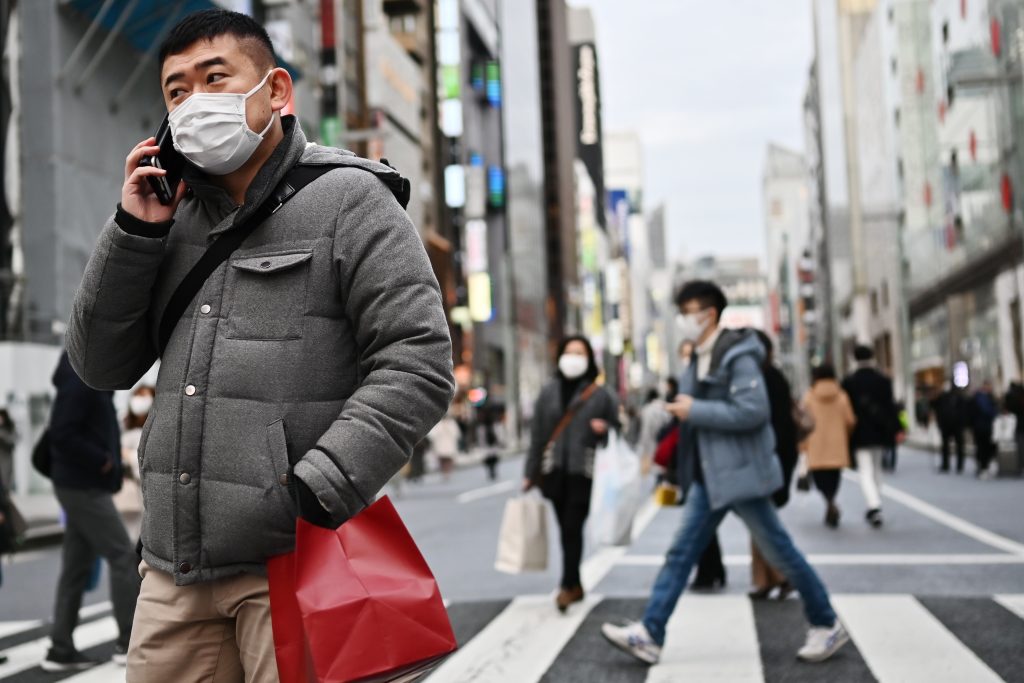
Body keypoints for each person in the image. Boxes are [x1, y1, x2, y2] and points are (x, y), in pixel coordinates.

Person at [64, 10, 454, 681]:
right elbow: (100, 364)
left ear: (275, 90)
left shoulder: (351, 202)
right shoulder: (170, 215)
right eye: (177, 91)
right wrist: (134, 229)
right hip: (172, 571)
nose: (194, 103)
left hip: (294, 560)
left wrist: (316, 489)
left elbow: (417, 361)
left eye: (215, 79)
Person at [601, 280, 848, 665]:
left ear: (709, 313)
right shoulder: (698, 357)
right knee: (681, 553)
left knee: (778, 550)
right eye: (681, 311)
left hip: (740, 473)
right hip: (711, 473)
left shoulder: (738, 355)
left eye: (688, 311)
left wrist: (694, 410)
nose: (684, 319)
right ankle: (650, 632)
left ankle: (826, 621)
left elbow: (754, 411)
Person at [43, 352, 140, 672]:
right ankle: (128, 642)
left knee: (76, 567)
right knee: (122, 557)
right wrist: (102, 460)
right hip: (82, 485)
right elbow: (62, 431)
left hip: (81, 484)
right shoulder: (79, 377)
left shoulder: (88, 375)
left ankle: (60, 648)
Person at [523, 335, 619, 613]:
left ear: (589, 358)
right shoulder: (548, 391)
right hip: (553, 472)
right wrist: (531, 473)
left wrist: (606, 429)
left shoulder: (601, 394)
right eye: (569, 351)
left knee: (571, 527)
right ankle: (574, 584)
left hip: (586, 472)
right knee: (566, 528)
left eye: (580, 352)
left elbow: (619, 428)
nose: (573, 357)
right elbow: (538, 436)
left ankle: (567, 585)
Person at [749, 331, 800, 599]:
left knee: (763, 523)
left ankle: (783, 575)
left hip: (769, 458)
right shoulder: (774, 377)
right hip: (777, 455)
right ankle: (765, 579)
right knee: (760, 521)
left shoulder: (764, 379)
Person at [842, 345, 901, 527]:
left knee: (865, 470)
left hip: (859, 432)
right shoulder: (883, 380)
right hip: (880, 430)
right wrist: (895, 428)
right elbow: (891, 407)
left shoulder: (849, 382)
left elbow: (846, 411)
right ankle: (876, 503)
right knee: (876, 468)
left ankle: (873, 505)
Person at [802, 364, 856, 529]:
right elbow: (850, 420)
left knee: (820, 479)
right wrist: (845, 435)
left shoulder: (809, 397)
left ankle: (829, 501)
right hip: (837, 444)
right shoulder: (842, 396)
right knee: (834, 477)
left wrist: (802, 444)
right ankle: (831, 500)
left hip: (815, 444)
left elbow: (802, 422)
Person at [113, 385, 154, 540]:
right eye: (138, 396)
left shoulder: (150, 431)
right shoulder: (123, 425)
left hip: (141, 496)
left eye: (145, 397)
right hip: (124, 491)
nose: (140, 401)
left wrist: (127, 454)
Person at [932, 382, 968, 473]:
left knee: (957, 446)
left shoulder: (958, 398)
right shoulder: (944, 397)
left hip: (955, 425)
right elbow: (934, 405)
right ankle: (948, 465)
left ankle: (957, 465)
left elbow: (964, 411)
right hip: (947, 425)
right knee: (948, 446)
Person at [969, 381, 998, 478]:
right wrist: (995, 413)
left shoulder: (985, 397)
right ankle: (983, 467)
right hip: (982, 427)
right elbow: (987, 411)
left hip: (982, 426)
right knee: (983, 447)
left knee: (984, 447)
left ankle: (983, 466)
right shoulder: (981, 397)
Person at [0, 408, 16, 491]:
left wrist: (2, 436)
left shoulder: (9, 428)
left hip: (6, 459)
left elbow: (12, 442)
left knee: (5, 482)